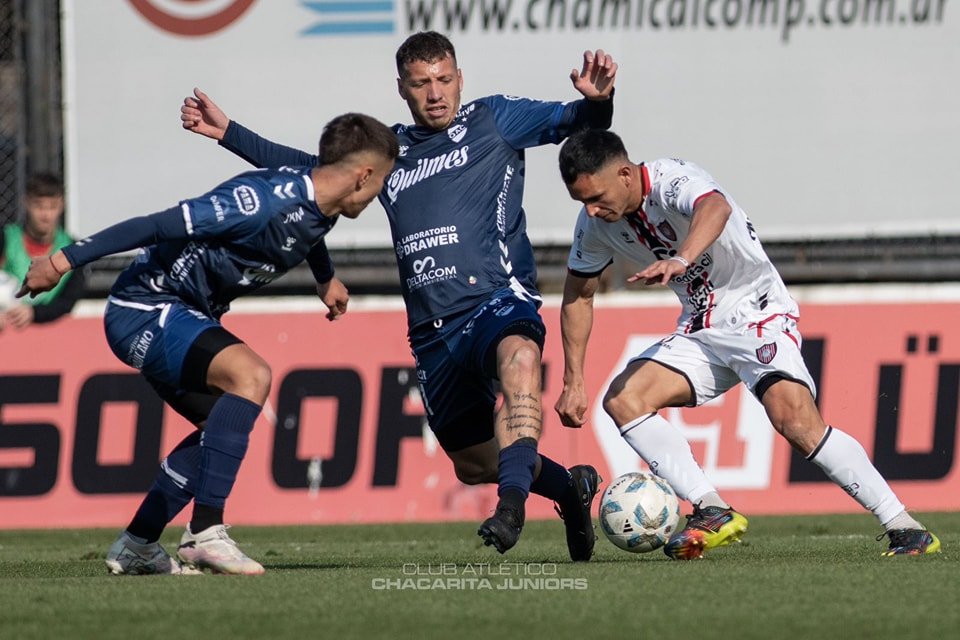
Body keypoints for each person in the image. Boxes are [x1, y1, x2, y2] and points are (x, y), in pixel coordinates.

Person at [179, 31, 617, 559]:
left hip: (497, 301)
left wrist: (598, 102)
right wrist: (229, 132)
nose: (436, 93)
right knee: (475, 462)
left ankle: (510, 508)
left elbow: (579, 123)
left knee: (520, 359)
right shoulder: (389, 152)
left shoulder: (495, 120)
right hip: (434, 332)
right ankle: (570, 488)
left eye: (444, 79)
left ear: (460, 79)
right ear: (403, 90)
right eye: (421, 83)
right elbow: (307, 173)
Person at [18, 113, 399, 574]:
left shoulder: (322, 202)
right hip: (146, 307)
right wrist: (62, 261)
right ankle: (205, 531)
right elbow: (157, 224)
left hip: (184, 315)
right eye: (382, 182)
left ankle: (138, 542)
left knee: (219, 429)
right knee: (252, 375)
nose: (381, 194)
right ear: (364, 175)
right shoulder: (256, 203)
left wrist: (325, 279)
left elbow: (308, 227)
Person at [554, 128, 941, 559]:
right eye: (581, 202)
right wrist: (573, 380)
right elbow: (578, 295)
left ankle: (905, 527)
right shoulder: (594, 225)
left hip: (757, 313)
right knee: (624, 400)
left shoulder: (672, 179)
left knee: (795, 422)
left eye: (596, 197)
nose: (591, 209)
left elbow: (714, 207)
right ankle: (711, 508)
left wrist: (681, 259)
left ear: (625, 174)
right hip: (700, 328)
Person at [1, 173, 86, 331]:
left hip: (50, 339)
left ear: (62, 205)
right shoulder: (6, 239)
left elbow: (67, 302)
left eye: (52, 207)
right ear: (26, 203)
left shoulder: (72, 250)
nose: (45, 215)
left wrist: (34, 313)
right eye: (39, 206)